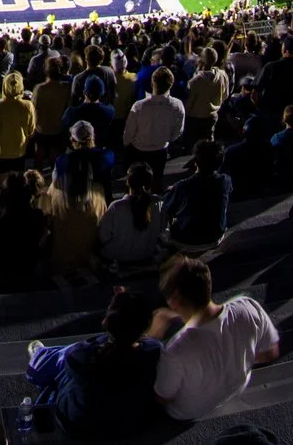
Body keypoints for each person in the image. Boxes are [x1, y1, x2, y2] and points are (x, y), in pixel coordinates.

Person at [149, 257, 279, 421]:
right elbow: (271, 353)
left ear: (174, 301)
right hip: (236, 386)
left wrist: (151, 337)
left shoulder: (176, 348)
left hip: (186, 413)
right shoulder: (248, 307)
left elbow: (163, 397)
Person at [27, 286, 165, 437]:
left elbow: (78, 357)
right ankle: (42, 356)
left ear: (106, 322)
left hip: (79, 425)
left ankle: (39, 356)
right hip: (131, 424)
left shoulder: (82, 356)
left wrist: (118, 309)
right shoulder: (154, 350)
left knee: (60, 366)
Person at [162, 139, 233, 250]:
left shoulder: (183, 186)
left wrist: (171, 190)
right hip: (215, 237)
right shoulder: (225, 180)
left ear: (195, 161)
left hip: (187, 240)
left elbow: (167, 206)